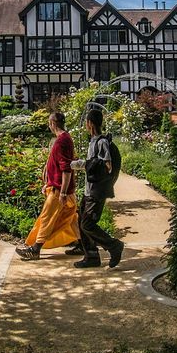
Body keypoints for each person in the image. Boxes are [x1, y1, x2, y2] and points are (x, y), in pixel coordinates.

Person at [15, 112, 80, 260]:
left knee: (46, 218)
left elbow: (66, 169)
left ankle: (35, 249)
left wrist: (63, 192)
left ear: (52, 124)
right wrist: (48, 183)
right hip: (59, 187)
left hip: (59, 190)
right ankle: (83, 244)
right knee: (70, 218)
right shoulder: (65, 138)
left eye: (49, 123)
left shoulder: (61, 141)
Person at [69, 108, 124, 269]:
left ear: (90, 123)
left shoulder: (101, 142)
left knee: (88, 224)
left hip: (97, 191)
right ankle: (92, 256)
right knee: (82, 221)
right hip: (89, 190)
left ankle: (114, 246)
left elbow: (107, 165)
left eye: (86, 122)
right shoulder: (93, 141)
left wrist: (81, 164)